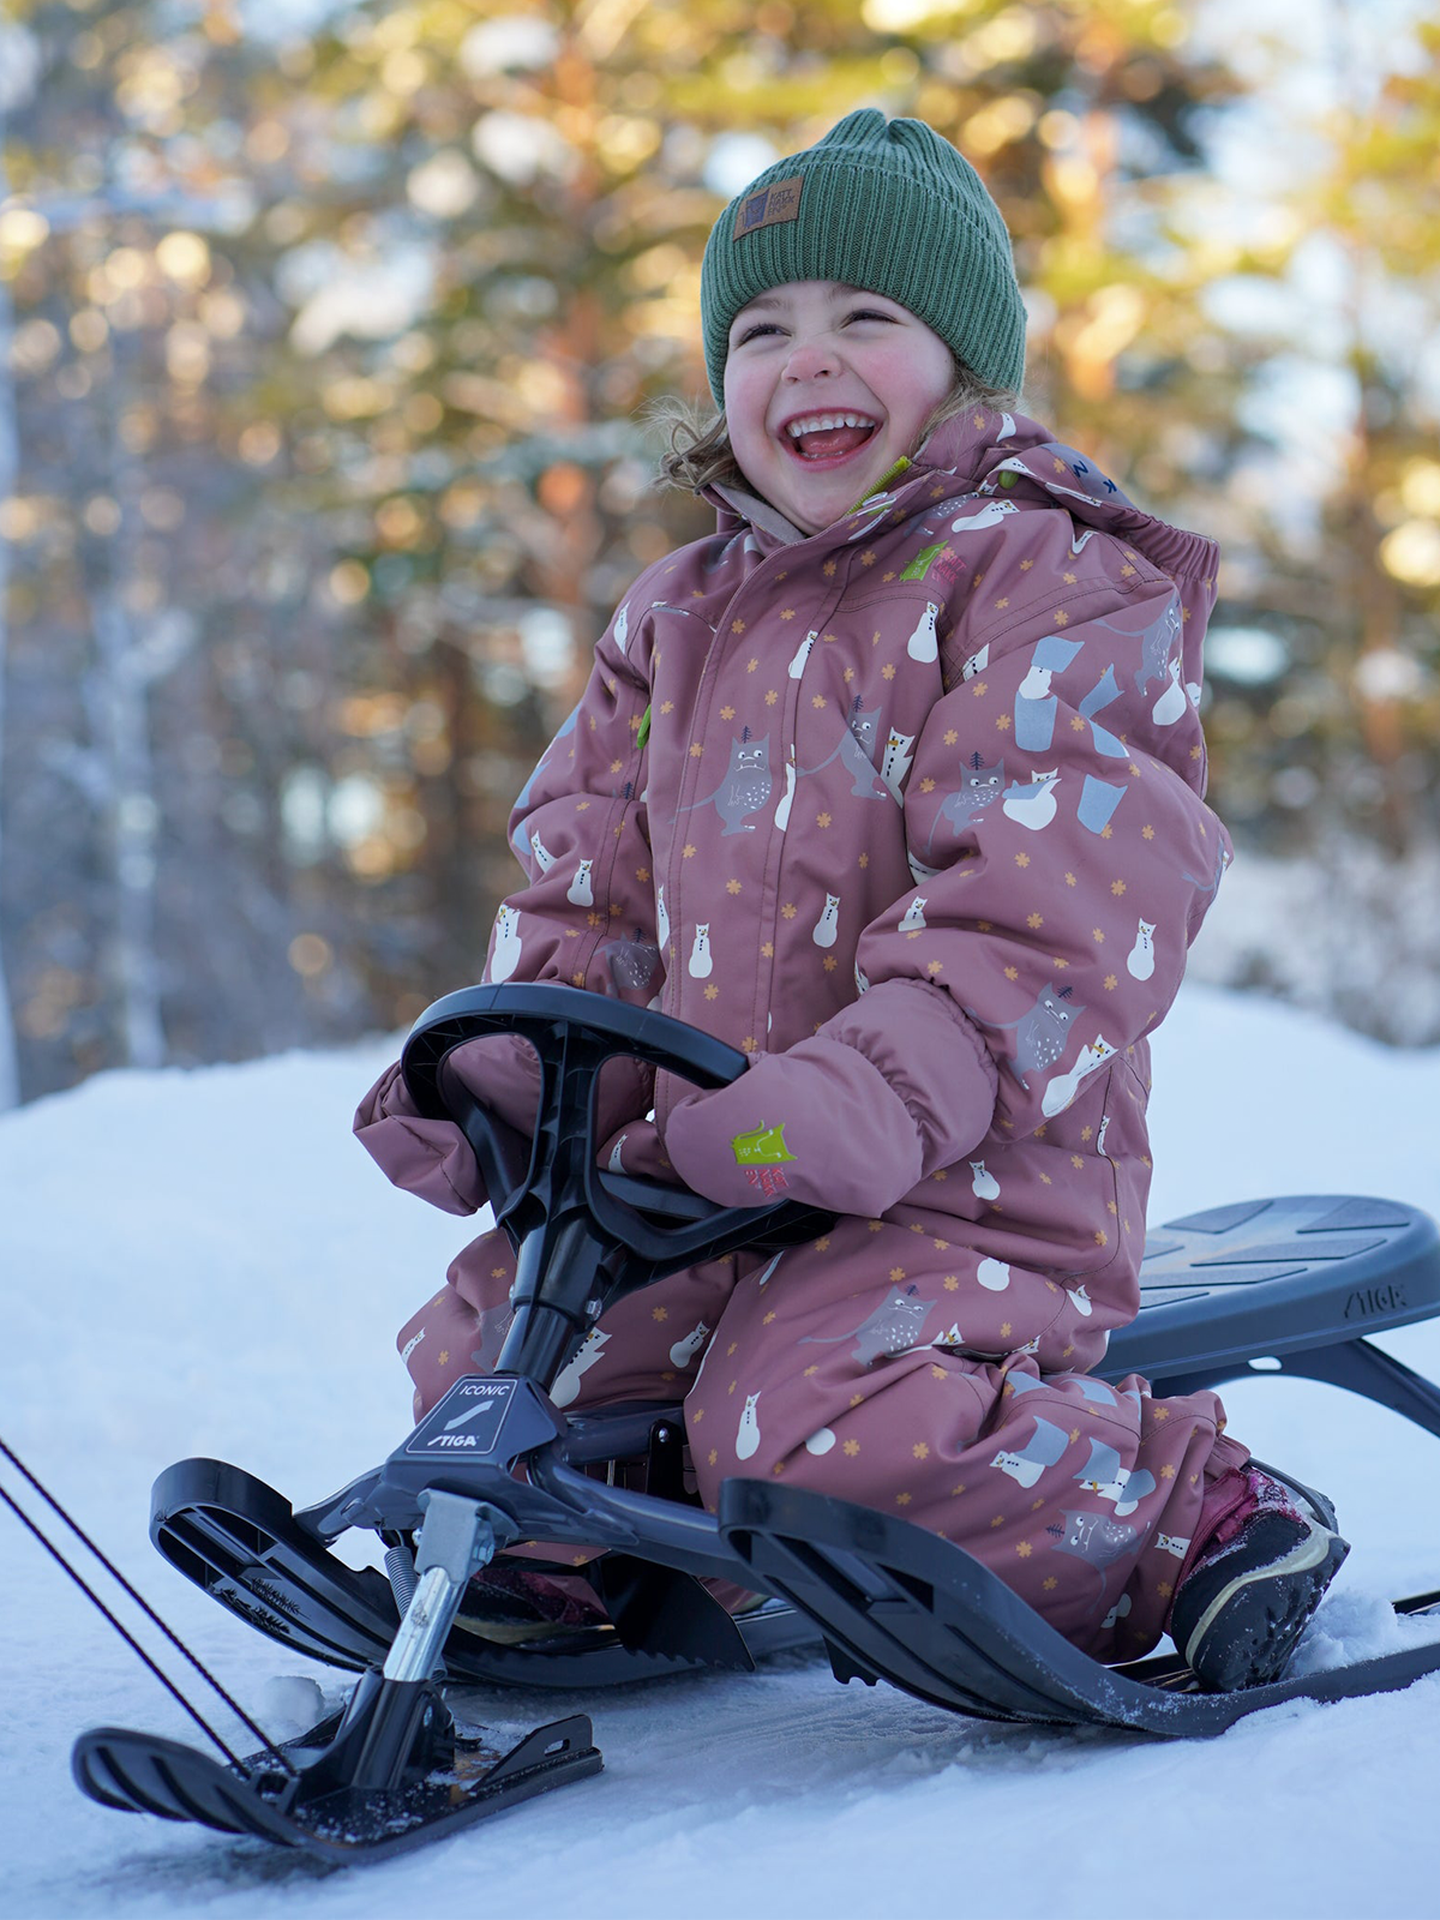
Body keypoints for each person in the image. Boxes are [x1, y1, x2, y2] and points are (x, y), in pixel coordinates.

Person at [355, 110, 1347, 1691]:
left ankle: (1192, 1513)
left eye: (865, 317)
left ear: (963, 364)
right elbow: (587, 892)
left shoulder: (1047, 578)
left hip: (968, 1181)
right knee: (496, 1354)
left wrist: (878, 1089)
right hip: (711, 1166)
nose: (806, 359)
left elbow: (1054, 908)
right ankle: (594, 1550)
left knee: (809, 1418)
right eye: (762, 331)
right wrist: (512, 1084)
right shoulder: (673, 618)